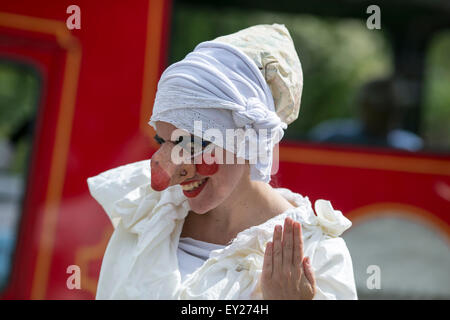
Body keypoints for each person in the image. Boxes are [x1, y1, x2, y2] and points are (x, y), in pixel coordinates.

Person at [87, 24, 357, 300]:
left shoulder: (319, 254)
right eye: (163, 142)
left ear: (247, 140)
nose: (168, 172)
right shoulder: (145, 215)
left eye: (191, 144)